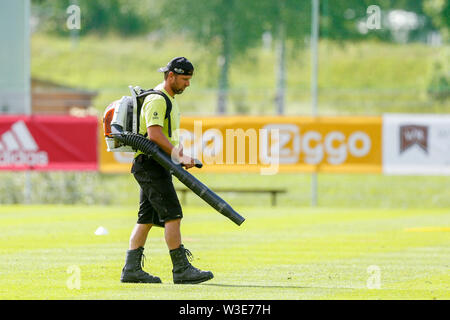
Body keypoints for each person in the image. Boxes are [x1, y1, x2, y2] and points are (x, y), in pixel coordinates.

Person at [120, 57, 214, 284]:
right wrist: (178, 155)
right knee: (173, 214)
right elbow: (154, 135)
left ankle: (131, 270)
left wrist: (176, 154)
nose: (188, 84)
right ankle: (181, 269)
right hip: (151, 165)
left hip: (154, 164)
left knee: (146, 218)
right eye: (184, 79)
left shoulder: (167, 99)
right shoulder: (157, 99)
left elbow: (162, 137)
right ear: (170, 75)